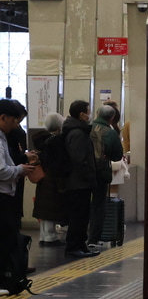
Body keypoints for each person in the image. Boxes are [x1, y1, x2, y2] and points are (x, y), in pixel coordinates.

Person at [0, 99, 38, 293]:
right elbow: (1, 170)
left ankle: (7, 276)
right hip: (2, 194)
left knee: (6, 236)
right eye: (14, 121)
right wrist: (19, 168)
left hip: (7, 192)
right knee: (4, 238)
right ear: (3, 118)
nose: (16, 126)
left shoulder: (4, 137)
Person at [59, 100, 99, 259]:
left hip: (80, 182)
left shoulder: (78, 131)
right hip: (78, 183)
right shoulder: (77, 133)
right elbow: (79, 159)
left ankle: (81, 245)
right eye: (88, 112)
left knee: (83, 216)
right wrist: (89, 177)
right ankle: (73, 246)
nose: (90, 115)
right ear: (82, 114)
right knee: (78, 216)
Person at [87, 104, 124, 249]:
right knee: (98, 205)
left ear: (97, 113)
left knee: (83, 205)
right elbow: (117, 156)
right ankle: (93, 239)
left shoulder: (86, 128)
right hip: (101, 173)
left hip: (83, 171)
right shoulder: (110, 133)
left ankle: (78, 237)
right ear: (112, 117)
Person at [32, 112, 65, 246]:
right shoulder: (56, 141)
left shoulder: (40, 141)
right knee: (51, 208)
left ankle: (43, 236)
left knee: (44, 209)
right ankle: (50, 237)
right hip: (52, 178)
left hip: (42, 179)